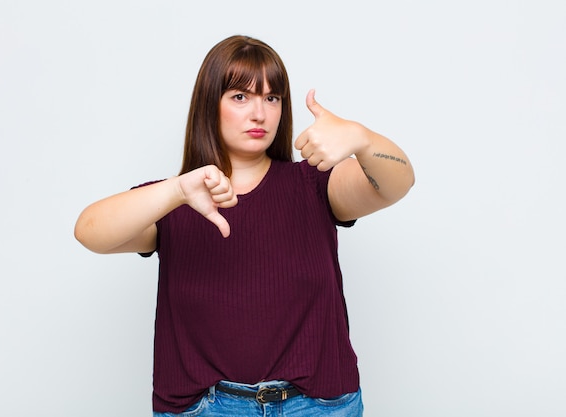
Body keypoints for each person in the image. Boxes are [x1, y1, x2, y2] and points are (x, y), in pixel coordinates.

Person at [74, 35, 414, 416]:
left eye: (272, 98)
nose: (260, 114)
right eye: (240, 97)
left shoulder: (315, 185)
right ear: (210, 105)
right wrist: (177, 189)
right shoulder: (175, 199)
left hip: (319, 407)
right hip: (206, 408)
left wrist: (363, 140)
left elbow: (397, 183)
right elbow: (89, 231)